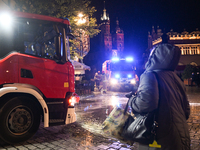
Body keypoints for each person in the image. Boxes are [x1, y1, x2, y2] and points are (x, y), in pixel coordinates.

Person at [128, 43, 190, 150]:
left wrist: (132, 100)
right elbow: (186, 111)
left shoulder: (150, 75)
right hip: (181, 134)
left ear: (155, 57)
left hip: (160, 136)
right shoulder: (176, 78)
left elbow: (145, 105)